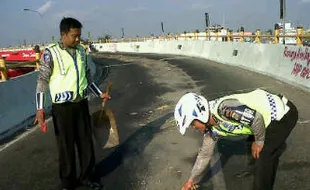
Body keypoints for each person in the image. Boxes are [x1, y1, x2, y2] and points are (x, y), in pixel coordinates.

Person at [34, 17, 110, 190]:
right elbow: (42, 82)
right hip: (62, 109)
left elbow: (87, 79)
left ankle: (87, 177)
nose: (78, 39)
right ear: (63, 34)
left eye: (79, 36)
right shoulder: (50, 54)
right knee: (66, 147)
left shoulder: (82, 52)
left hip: (81, 104)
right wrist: (40, 109)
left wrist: (100, 93)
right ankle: (68, 182)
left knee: (86, 143)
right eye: (74, 36)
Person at [174, 88, 298, 190]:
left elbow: (257, 119)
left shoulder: (225, 109)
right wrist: (191, 180)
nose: (194, 128)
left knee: (265, 155)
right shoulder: (211, 130)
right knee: (251, 141)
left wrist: (259, 141)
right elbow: (204, 155)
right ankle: (251, 169)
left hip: (282, 114)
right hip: (261, 120)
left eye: (192, 124)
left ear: (200, 114)